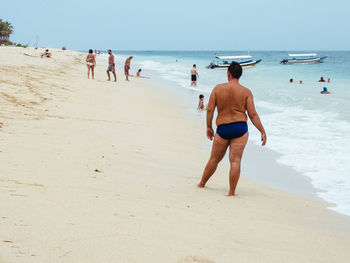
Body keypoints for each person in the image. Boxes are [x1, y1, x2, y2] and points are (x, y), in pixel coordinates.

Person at [198, 62, 266, 196]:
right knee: (235, 161)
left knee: (214, 159)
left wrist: (209, 127)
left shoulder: (218, 89)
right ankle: (231, 192)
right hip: (240, 128)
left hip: (223, 128)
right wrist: (262, 131)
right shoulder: (246, 92)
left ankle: (201, 184)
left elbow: (210, 109)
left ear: (228, 73)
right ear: (239, 75)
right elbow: (252, 114)